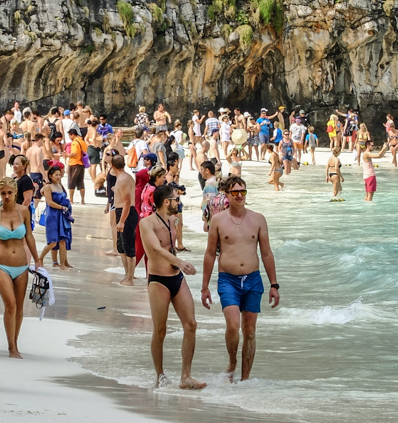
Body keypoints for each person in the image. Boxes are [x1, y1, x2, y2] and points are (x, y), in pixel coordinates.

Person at [200, 175, 279, 381]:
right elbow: (210, 253)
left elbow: (267, 253)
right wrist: (204, 287)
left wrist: (274, 284)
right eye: (235, 192)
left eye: (243, 192)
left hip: (253, 280)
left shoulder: (258, 219)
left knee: (250, 331)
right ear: (226, 194)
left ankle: (245, 378)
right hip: (228, 280)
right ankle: (233, 362)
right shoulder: (218, 220)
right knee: (234, 325)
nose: (239, 196)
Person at [137, 183, 204, 389]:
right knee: (160, 330)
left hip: (177, 277)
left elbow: (172, 246)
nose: (179, 202)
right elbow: (156, 250)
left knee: (191, 325)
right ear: (166, 202)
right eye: (176, 199)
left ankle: (186, 376)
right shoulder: (147, 223)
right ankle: (160, 375)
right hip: (159, 280)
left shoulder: (173, 220)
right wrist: (180, 262)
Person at [0, 177, 40, 357]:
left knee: (19, 307)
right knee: (10, 305)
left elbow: (30, 237)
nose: (7, 196)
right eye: (3, 193)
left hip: (22, 266)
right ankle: (11, 346)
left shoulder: (24, 211)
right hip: (2, 265)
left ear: (15, 192)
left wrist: (37, 259)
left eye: (10, 193)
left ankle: (15, 342)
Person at [110, 154, 137, 286]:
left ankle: (130, 278)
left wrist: (121, 221)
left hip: (126, 213)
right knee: (121, 247)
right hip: (121, 212)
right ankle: (127, 274)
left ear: (112, 166)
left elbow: (127, 202)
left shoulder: (123, 179)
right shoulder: (122, 178)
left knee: (128, 247)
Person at [40, 165, 73, 269]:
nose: (58, 177)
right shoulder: (48, 187)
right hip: (53, 215)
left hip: (62, 215)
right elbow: (49, 202)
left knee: (63, 240)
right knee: (53, 241)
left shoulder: (59, 185)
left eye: (59, 175)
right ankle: (40, 258)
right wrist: (61, 207)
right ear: (50, 176)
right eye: (56, 175)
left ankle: (63, 262)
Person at [66, 127, 87, 205]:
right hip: (81, 164)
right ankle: (82, 200)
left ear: (72, 135)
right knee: (80, 182)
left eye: (69, 136)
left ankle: (71, 199)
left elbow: (74, 153)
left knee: (72, 182)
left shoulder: (74, 143)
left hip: (74, 163)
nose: (69, 138)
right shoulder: (83, 142)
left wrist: (67, 155)